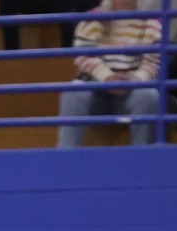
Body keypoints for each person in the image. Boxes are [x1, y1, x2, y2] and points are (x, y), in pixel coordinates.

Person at [55, 0, 164, 148]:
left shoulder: (152, 22)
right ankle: (66, 156)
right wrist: (108, 78)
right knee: (73, 92)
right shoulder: (92, 18)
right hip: (96, 87)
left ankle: (143, 155)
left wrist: (135, 80)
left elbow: (152, 62)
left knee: (149, 95)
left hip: (132, 89)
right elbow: (84, 55)